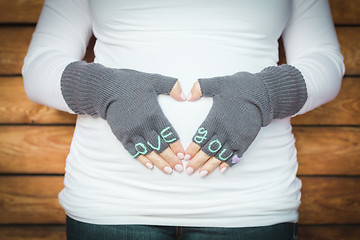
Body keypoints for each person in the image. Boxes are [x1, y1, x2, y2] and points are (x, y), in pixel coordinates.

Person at [22, 0, 344, 239]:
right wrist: (104, 88)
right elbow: (39, 68)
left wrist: (265, 93)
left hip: (251, 207)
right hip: (111, 204)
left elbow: (325, 62)